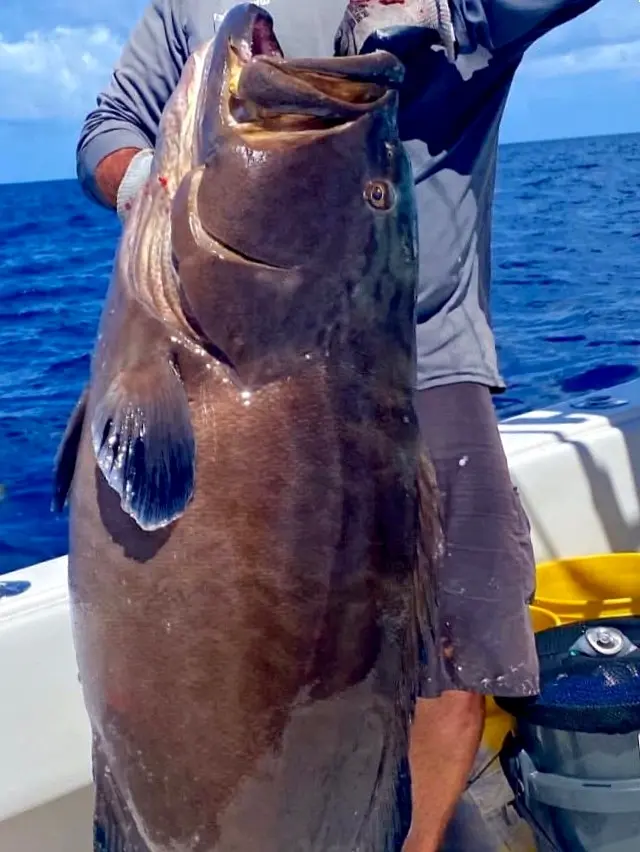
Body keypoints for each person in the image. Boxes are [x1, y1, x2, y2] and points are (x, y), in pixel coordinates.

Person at [76, 0, 602, 848]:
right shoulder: (190, 8)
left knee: (451, 659)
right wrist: (150, 185)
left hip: (427, 370)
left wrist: (441, 9)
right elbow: (105, 130)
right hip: (234, 347)